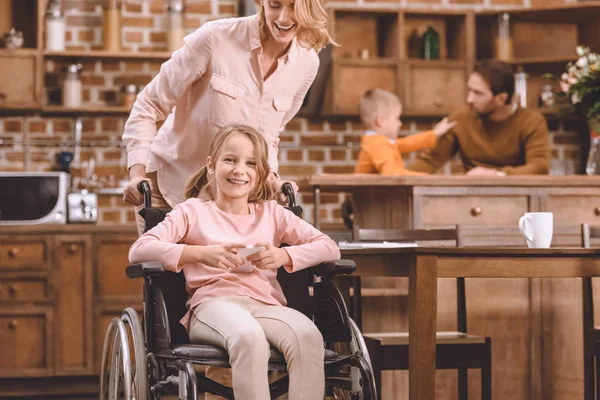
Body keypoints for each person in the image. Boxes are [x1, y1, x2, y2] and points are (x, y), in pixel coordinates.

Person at [129, 124, 340, 400]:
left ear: (260, 173)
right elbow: (140, 250)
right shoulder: (192, 212)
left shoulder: (272, 214)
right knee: (249, 338)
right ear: (211, 165)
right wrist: (203, 254)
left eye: (250, 163)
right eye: (230, 159)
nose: (239, 170)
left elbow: (329, 247)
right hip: (212, 306)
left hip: (265, 305)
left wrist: (284, 255)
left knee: (308, 338)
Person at [121, 0, 334, 233]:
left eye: (294, 6)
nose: (283, 18)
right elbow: (147, 105)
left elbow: (269, 136)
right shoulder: (215, 38)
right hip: (170, 192)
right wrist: (137, 174)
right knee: (170, 267)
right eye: (275, 5)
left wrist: (273, 180)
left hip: (233, 205)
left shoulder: (307, 63)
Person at [408, 60, 551, 175]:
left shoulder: (531, 122)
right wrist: (396, 177)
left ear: (501, 98)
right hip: (471, 195)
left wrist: (496, 175)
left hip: (518, 196)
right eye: (470, 90)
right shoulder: (461, 117)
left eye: (478, 93)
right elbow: (430, 160)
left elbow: (539, 167)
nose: (469, 99)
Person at [355, 88, 456, 175]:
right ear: (381, 121)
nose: (400, 124)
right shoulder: (378, 145)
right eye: (397, 118)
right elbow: (393, 174)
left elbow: (408, 143)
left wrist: (435, 133)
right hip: (370, 197)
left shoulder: (378, 141)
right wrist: (422, 177)